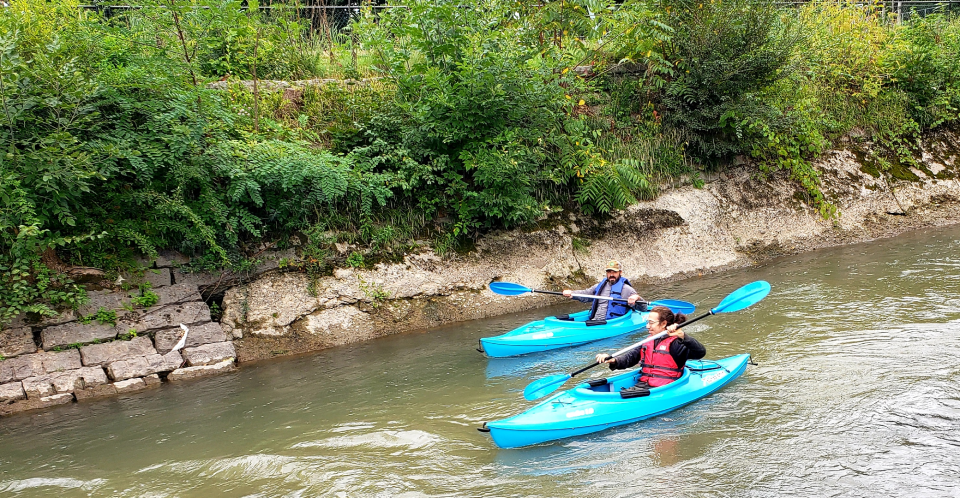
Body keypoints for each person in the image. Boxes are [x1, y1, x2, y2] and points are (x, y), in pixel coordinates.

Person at [594, 305, 706, 396]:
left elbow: (700, 352)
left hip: (664, 389)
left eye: (651, 323)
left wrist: (683, 336)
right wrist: (613, 360)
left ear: (663, 323)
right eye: (647, 322)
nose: (647, 326)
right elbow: (629, 358)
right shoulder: (648, 341)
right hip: (643, 385)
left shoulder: (676, 343)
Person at [561, 260, 644, 322]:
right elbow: (585, 294)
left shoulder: (627, 289)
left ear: (620, 272)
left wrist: (637, 298)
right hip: (595, 322)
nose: (611, 275)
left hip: (612, 323)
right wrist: (572, 293)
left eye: (614, 272)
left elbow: (643, 308)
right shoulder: (599, 286)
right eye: (609, 272)